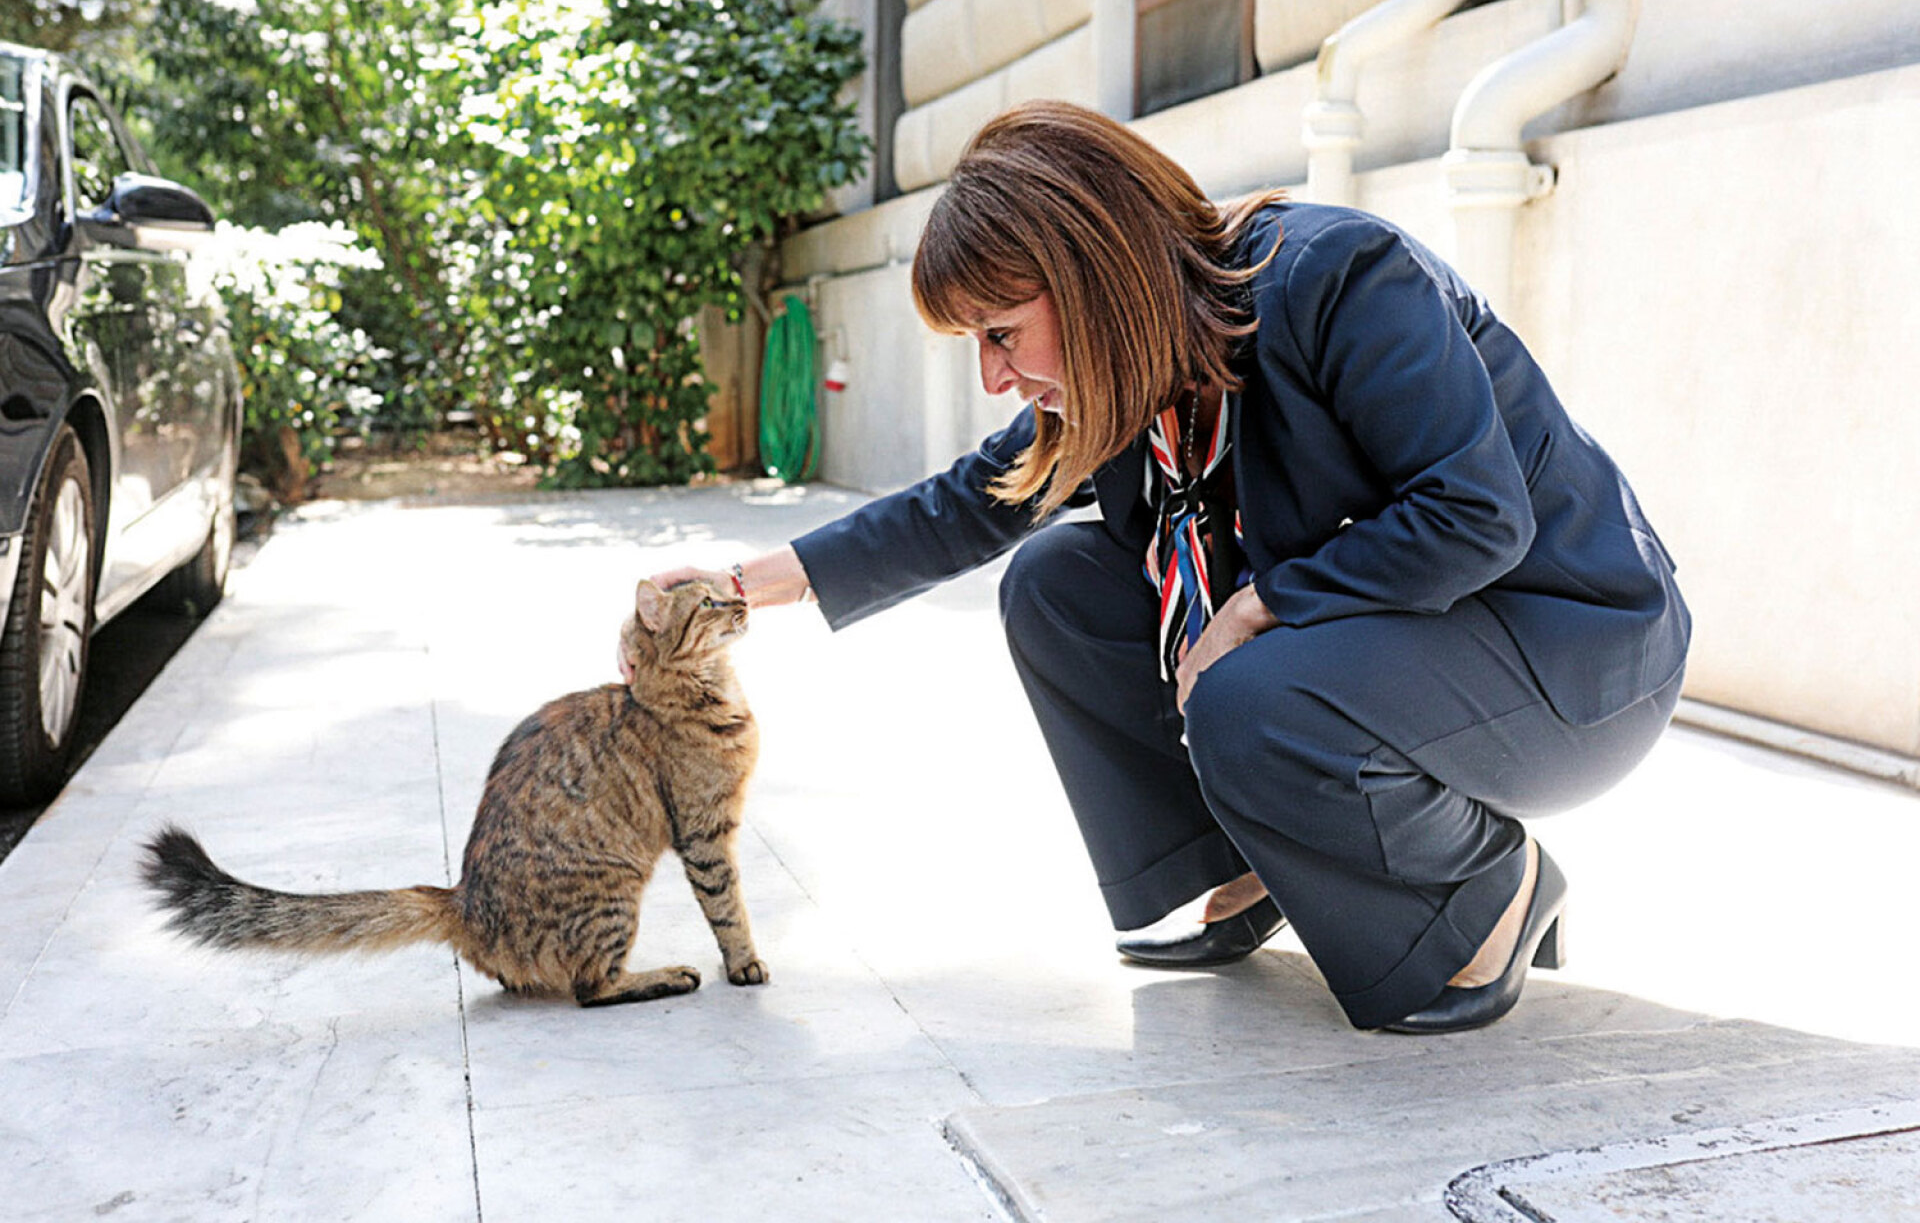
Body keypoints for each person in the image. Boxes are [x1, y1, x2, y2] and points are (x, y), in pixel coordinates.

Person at [638, 100, 1689, 1034]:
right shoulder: (1131, 368)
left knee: (1252, 689)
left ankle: (1489, 887)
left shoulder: (1340, 278)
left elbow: (1473, 516)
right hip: (1416, 646)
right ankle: (1241, 863)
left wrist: (1260, 602)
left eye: (1001, 333)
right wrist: (735, 587)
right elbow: (969, 501)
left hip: (1569, 648)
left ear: (1091, 277)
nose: (996, 375)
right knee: (1056, 587)